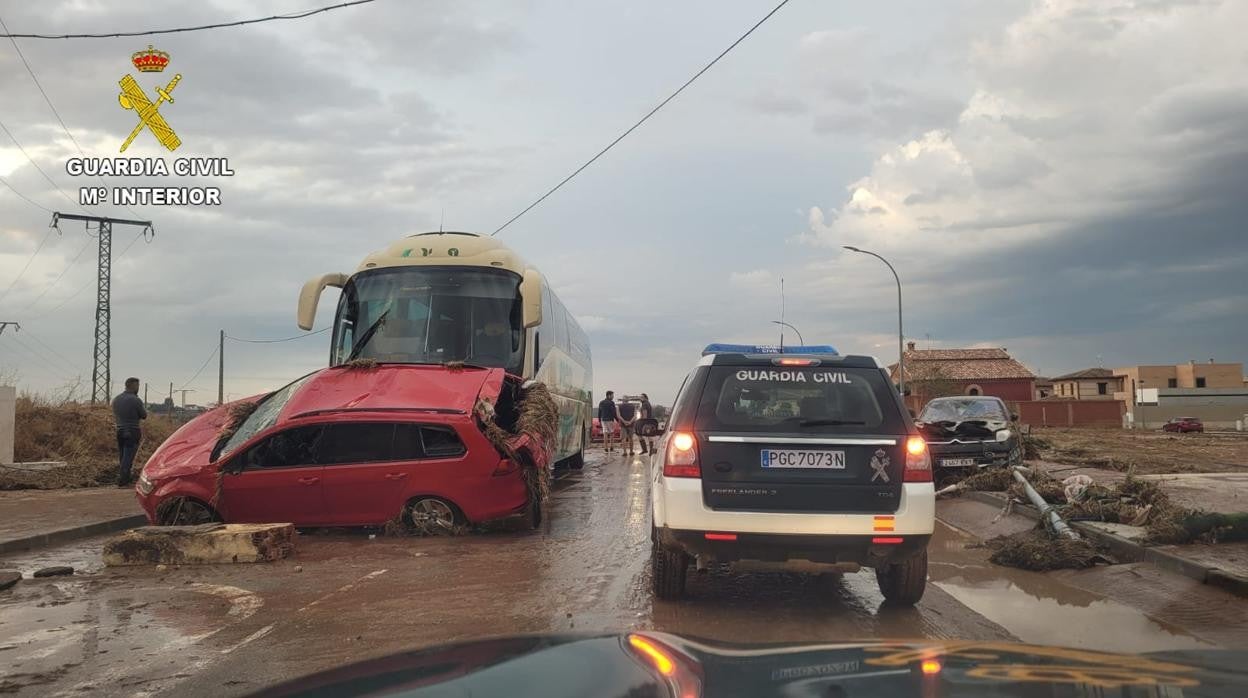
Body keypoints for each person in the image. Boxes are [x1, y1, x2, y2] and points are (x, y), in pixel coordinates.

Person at [112, 377, 147, 487]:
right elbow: (144, 415)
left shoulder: (116, 399)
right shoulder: (135, 400)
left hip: (120, 430)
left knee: (122, 456)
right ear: (134, 386)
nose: (138, 388)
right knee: (128, 456)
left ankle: (125, 477)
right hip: (132, 431)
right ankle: (123, 479)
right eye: (137, 386)